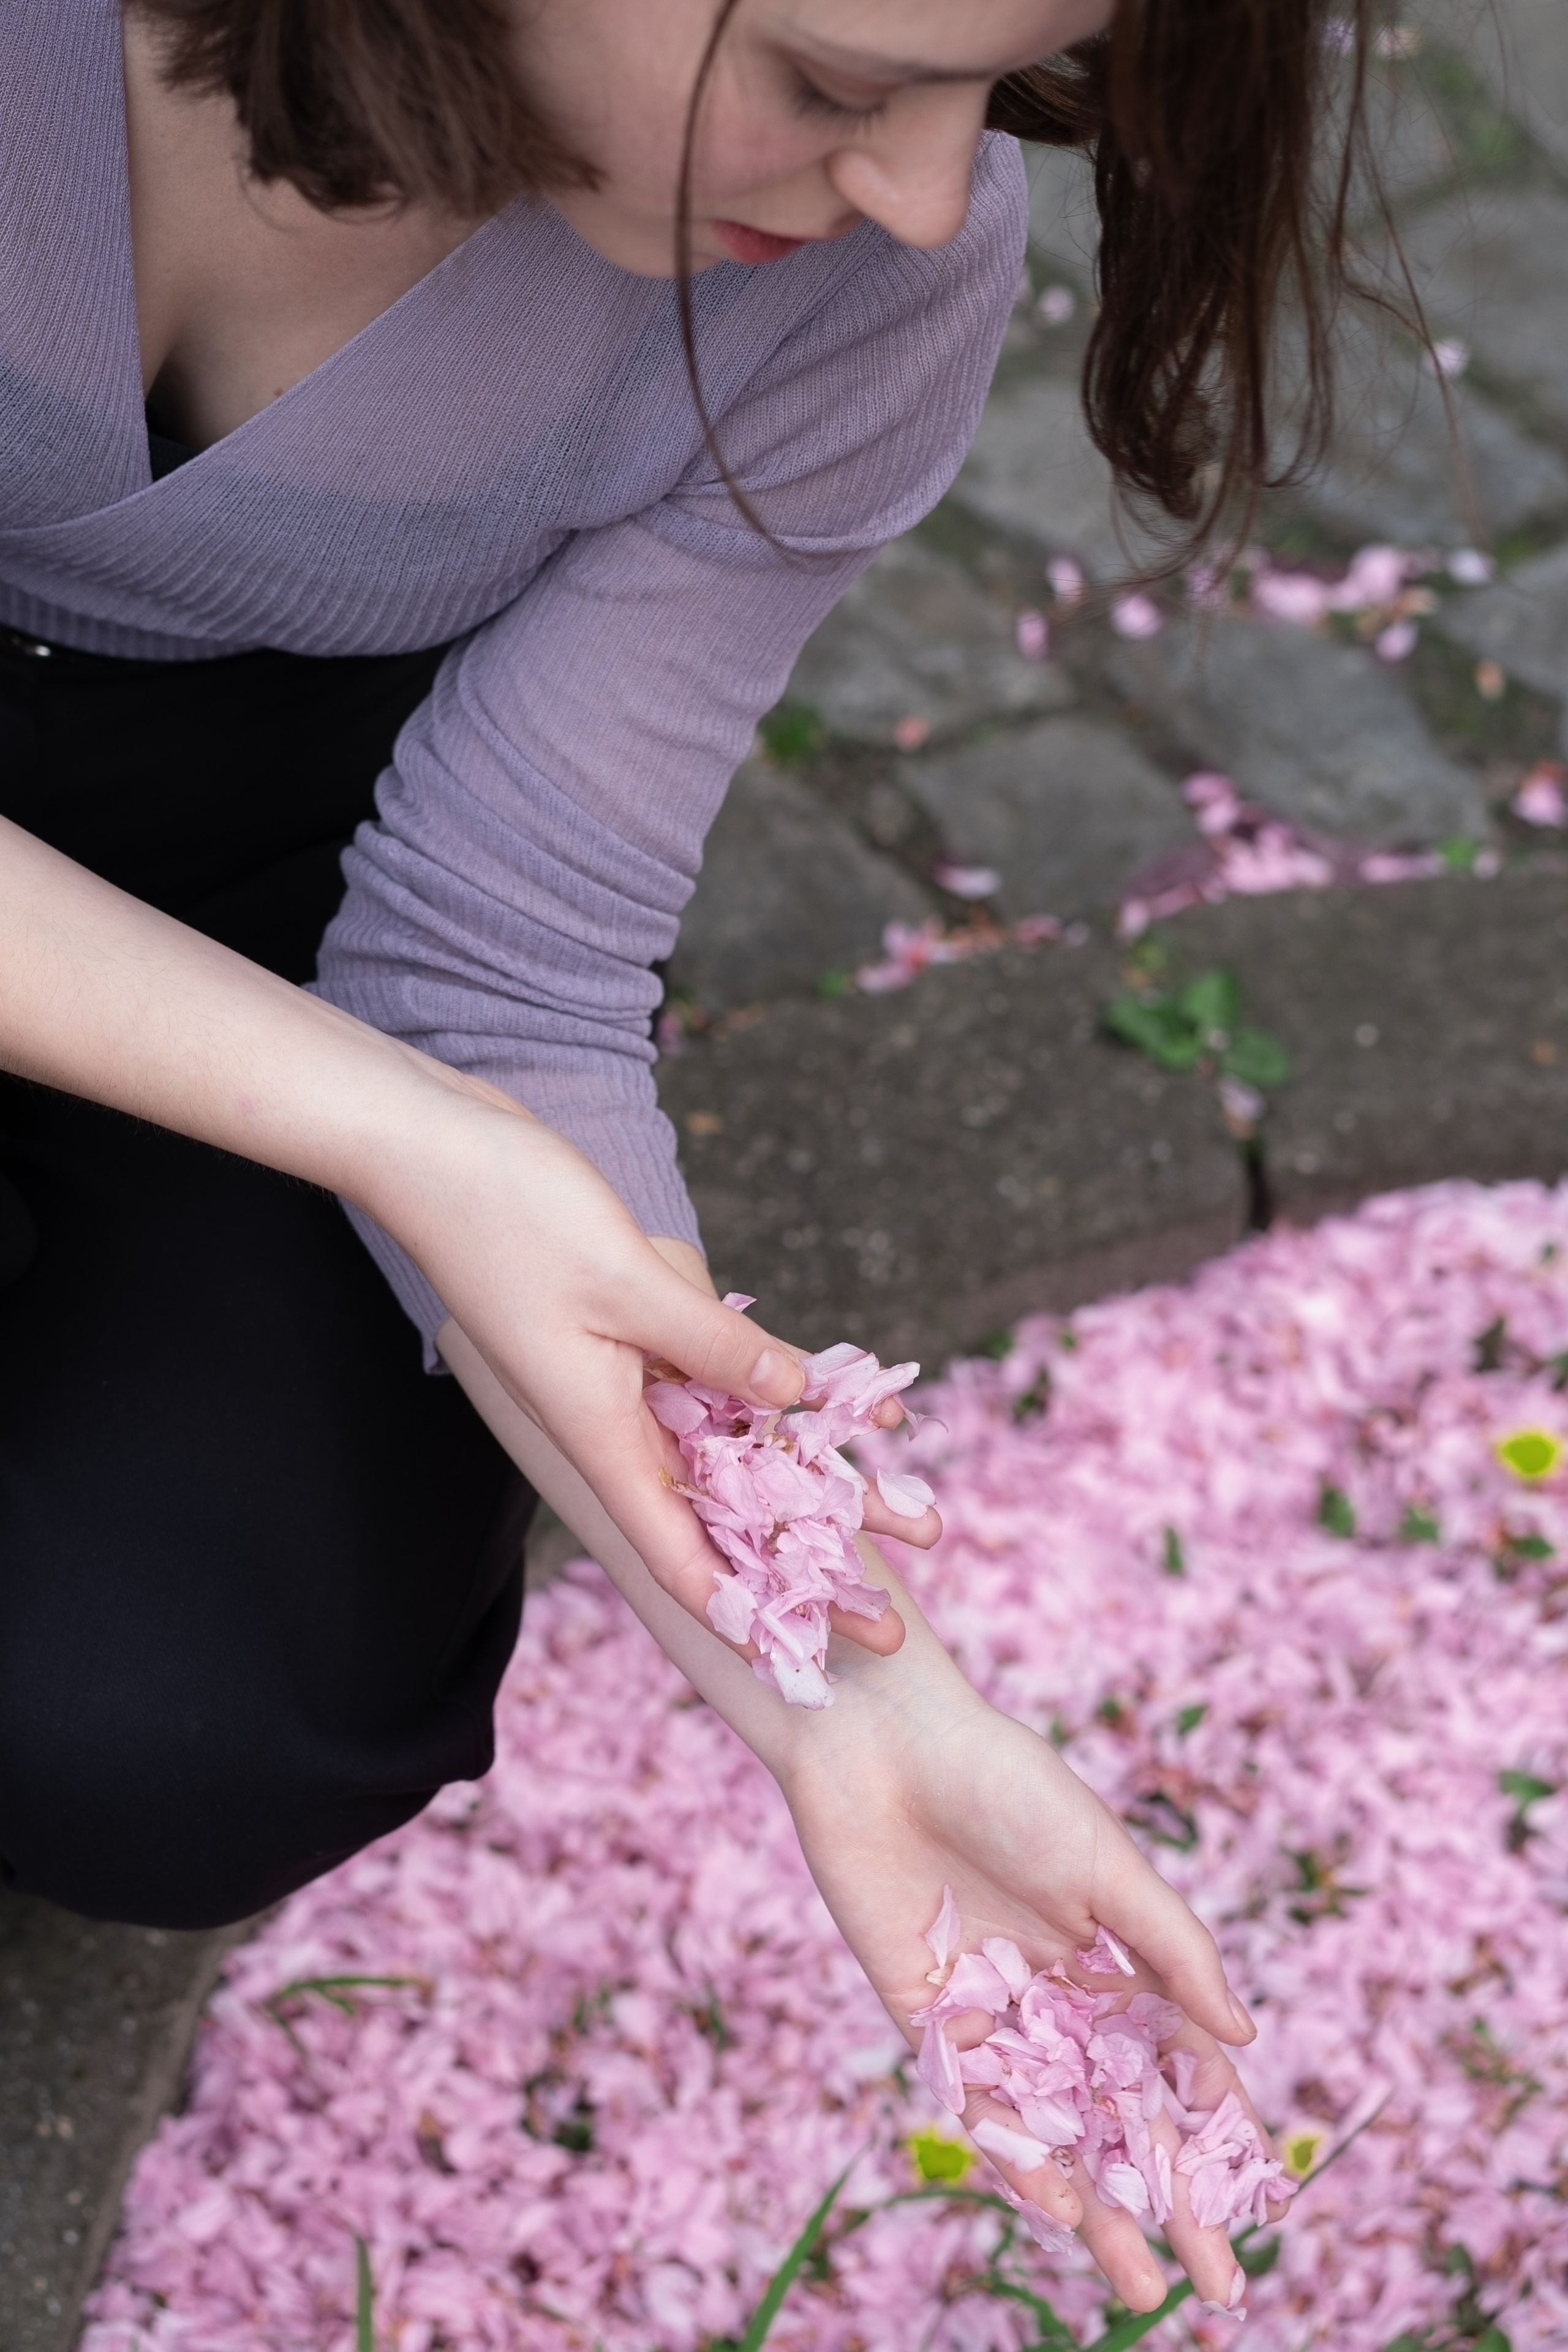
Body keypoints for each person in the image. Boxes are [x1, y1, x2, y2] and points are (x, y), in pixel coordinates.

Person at [0, 0, 1362, 2310]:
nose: (936, 198)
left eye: (1004, 93)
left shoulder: (862, 282)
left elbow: (499, 962)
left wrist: (846, 1689)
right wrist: (396, 1135)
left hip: (255, 901)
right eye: (836, 82)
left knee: (196, 1707)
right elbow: (430, 1104)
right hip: (299, 1049)